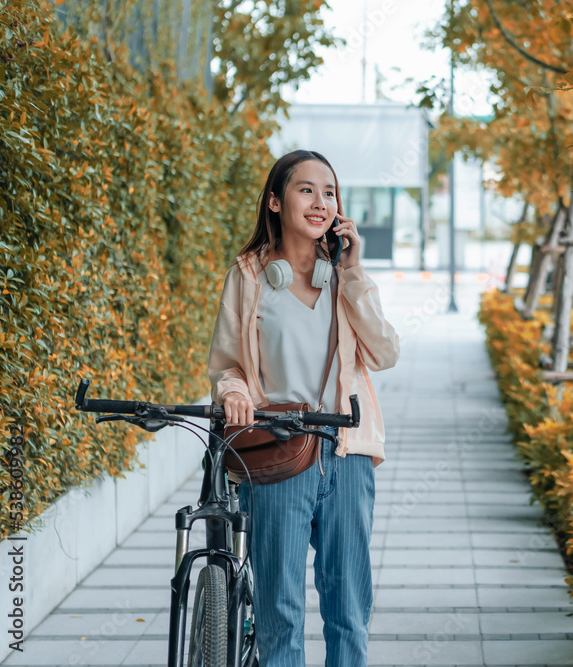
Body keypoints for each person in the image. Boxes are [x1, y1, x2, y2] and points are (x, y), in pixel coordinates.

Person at [207, 149, 399, 666]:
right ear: (275, 200)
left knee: (349, 610)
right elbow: (228, 365)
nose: (320, 202)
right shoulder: (247, 276)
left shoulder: (341, 276)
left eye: (329, 192)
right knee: (280, 613)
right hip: (277, 451)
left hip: (347, 452)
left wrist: (354, 272)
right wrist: (236, 394)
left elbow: (385, 352)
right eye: (306, 189)